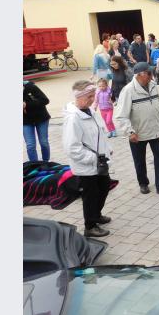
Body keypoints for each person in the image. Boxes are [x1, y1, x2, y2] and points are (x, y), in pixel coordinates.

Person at [115, 62, 159, 195]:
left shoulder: (153, 85)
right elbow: (120, 116)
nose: (151, 76)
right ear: (139, 75)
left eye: (152, 73)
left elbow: (158, 104)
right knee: (139, 160)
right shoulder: (128, 90)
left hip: (154, 130)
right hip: (137, 133)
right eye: (149, 73)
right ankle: (143, 183)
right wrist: (130, 132)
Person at [62, 80, 113, 238]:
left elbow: (100, 133)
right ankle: (90, 226)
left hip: (99, 163)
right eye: (89, 96)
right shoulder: (73, 118)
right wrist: (93, 158)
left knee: (104, 187)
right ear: (79, 96)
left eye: (93, 95)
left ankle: (96, 215)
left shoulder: (90, 111)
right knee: (90, 195)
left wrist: (107, 150)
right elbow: (72, 147)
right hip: (86, 166)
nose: (92, 99)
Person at [23, 80, 51, 162]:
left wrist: (27, 104)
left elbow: (45, 100)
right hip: (25, 121)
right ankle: (34, 165)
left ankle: (46, 162)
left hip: (41, 118)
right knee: (30, 145)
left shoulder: (31, 87)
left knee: (44, 143)